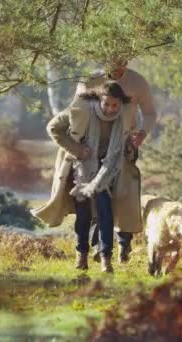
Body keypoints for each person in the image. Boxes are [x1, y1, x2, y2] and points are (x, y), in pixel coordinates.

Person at [31, 82, 138, 273]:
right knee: (84, 214)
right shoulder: (81, 108)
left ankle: (106, 258)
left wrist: (130, 148)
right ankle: (81, 254)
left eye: (115, 105)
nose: (110, 109)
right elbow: (53, 127)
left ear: (121, 104)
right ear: (99, 100)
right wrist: (76, 149)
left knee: (106, 212)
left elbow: (127, 138)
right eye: (106, 104)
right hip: (82, 167)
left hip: (108, 169)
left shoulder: (126, 115)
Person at [75, 58, 157, 263]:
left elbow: (149, 113)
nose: (117, 65)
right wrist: (76, 144)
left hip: (124, 145)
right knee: (98, 197)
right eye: (112, 60)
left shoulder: (137, 82)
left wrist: (141, 134)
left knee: (123, 196)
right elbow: (75, 111)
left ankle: (124, 243)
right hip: (93, 147)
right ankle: (99, 247)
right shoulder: (90, 79)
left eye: (122, 60)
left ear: (127, 60)